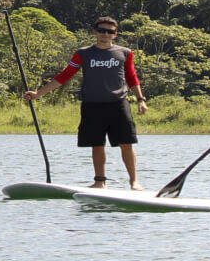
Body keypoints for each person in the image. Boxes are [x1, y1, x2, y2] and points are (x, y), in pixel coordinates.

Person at [24, 17, 149, 189]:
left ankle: (134, 181)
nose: (106, 34)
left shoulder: (125, 53)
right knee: (97, 144)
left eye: (110, 31)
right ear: (95, 32)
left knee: (126, 143)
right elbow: (65, 75)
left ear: (115, 34)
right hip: (92, 104)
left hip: (118, 103)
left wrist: (141, 100)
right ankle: (100, 182)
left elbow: (132, 77)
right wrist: (39, 94)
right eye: (102, 30)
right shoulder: (83, 53)